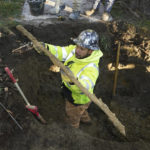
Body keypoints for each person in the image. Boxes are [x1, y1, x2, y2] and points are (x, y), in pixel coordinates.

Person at [42, 29, 103, 128]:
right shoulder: (73, 51)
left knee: (72, 116)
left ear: (90, 51)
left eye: (82, 49)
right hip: (81, 98)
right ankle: (86, 120)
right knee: (81, 110)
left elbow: (85, 86)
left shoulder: (91, 68)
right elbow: (60, 51)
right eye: (77, 46)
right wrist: (45, 47)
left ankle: (73, 131)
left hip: (77, 99)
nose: (77, 50)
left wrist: (72, 81)